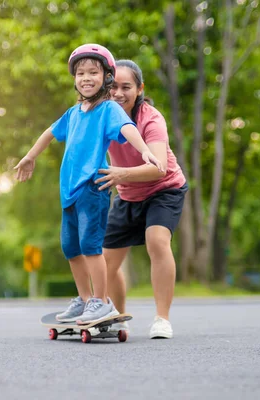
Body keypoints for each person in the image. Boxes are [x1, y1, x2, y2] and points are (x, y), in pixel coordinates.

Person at [14, 45, 164, 324]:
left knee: (91, 246)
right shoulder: (73, 113)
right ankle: (85, 301)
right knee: (71, 248)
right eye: (81, 73)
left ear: (106, 77)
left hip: (92, 189)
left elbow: (127, 128)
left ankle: (101, 302)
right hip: (68, 191)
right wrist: (29, 156)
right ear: (74, 79)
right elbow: (49, 132)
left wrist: (144, 150)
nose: (86, 77)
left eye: (93, 72)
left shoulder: (108, 109)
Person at [95, 59, 188, 338]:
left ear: (139, 89)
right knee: (104, 260)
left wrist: (121, 174)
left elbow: (158, 166)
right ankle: (118, 318)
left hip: (164, 188)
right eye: (113, 86)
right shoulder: (100, 116)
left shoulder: (151, 118)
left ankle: (162, 319)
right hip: (127, 194)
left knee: (157, 242)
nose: (119, 93)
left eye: (127, 87)